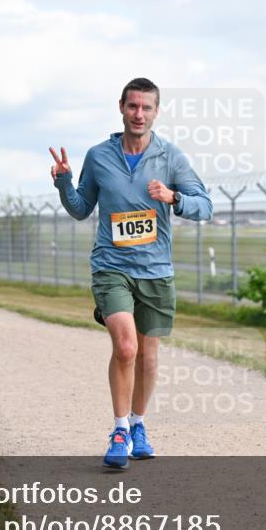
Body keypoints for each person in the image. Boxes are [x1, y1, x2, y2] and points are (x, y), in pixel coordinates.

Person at [49, 77, 213, 469]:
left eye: (147, 107)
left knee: (149, 358)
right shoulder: (99, 156)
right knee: (126, 348)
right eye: (133, 106)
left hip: (155, 270)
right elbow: (79, 207)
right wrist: (63, 182)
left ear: (156, 112)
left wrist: (174, 198)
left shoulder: (171, 157)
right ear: (120, 107)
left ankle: (139, 424)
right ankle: (120, 430)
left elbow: (205, 206)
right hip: (111, 267)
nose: (139, 114)